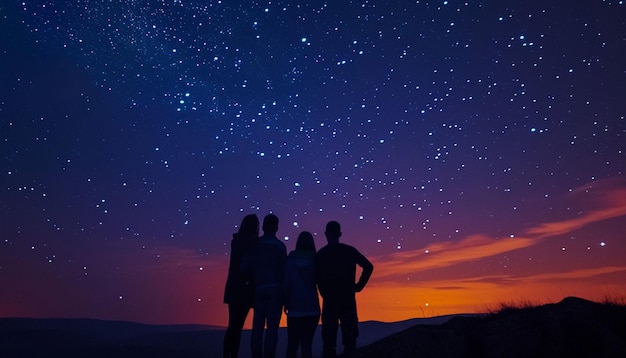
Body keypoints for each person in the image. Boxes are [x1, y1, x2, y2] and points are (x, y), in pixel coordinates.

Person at [315, 221, 374, 358]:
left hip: (329, 300)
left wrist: (322, 290)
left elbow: (316, 276)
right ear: (340, 234)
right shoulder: (349, 251)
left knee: (329, 341)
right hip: (347, 298)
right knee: (350, 341)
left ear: (326, 234)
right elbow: (368, 266)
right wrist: (358, 286)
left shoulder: (321, 255)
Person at [241, 214, 287, 358]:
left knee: (257, 327)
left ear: (263, 227)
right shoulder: (280, 247)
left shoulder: (255, 245)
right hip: (276, 290)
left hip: (259, 288)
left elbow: (243, 267)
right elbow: (284, 271)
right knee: (272, 328)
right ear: (276, 228)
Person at [223, 214, 259, 358]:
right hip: (245, 289)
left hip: (233, 288)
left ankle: (228, 355)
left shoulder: (236, 242)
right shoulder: (253, 244)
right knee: (237, 326)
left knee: (232, 325)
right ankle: (233, 355)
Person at [283, 231, 320, 358]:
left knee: (292, 345)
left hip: (294, 308)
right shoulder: (316, 260)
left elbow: (286, 284)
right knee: (307, 346)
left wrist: (286, 302)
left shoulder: (289, 260)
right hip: (312, 307)